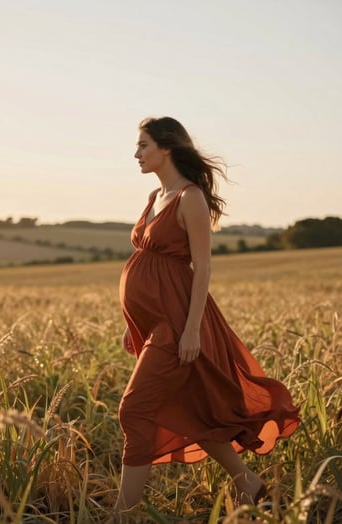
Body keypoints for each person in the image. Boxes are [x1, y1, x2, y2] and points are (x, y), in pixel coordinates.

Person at [106, 116, 300, 522]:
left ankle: (123, 516)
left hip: (177, 323)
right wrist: (132, 319)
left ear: (167, 148)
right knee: (189, 406)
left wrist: (191, 328)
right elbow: (147, 262)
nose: (136, 154)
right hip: (154, 323)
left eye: (143, 145)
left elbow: (203, 267)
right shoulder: (155, 196)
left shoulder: (189, 198)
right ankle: (250, 484)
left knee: (134, 410)